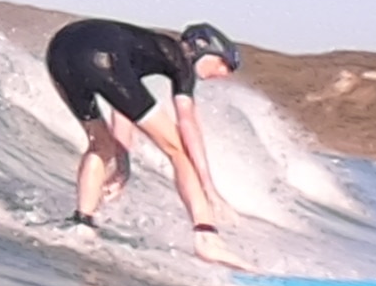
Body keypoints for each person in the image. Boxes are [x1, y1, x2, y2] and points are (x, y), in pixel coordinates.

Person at [44, 17, 245, 257]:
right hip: (101, 56)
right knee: (179, 150)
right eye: (225, 65)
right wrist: (209, 188)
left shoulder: (146, 46)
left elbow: (122, 108)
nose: (223, 74)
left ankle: (82, 224)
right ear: (208, 51)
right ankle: (206, 235)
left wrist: (123, 162)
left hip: (60, 49)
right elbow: (187, 124)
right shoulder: (181, 63)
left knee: (101, 144)